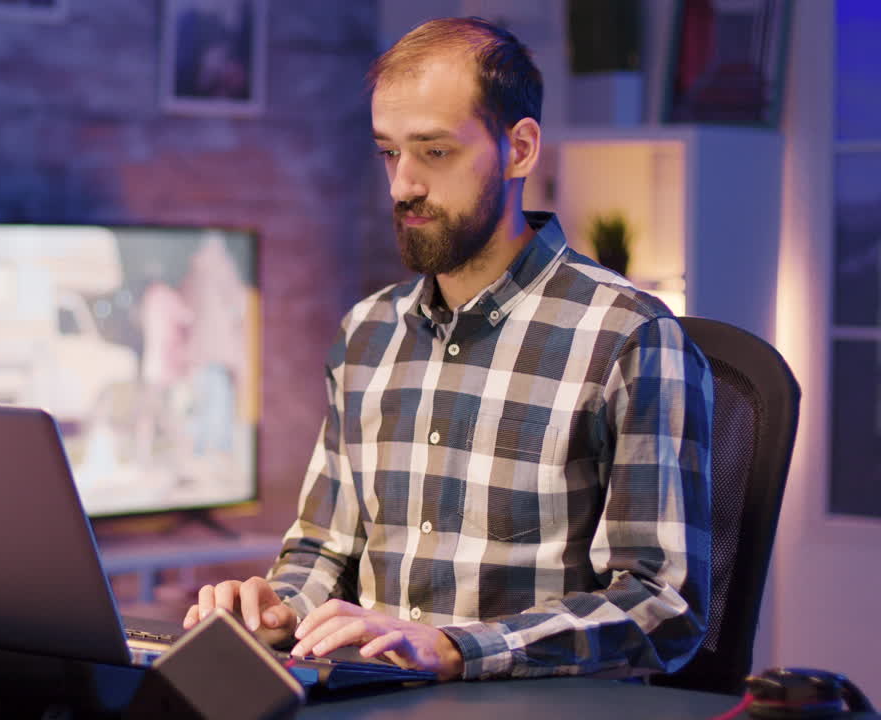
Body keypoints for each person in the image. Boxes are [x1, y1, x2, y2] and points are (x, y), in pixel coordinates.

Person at [182, 17, 713, 682]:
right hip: (371, 698)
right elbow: (324, 551)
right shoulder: (366, 334)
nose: (403, 185)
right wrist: (281, 609)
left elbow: (662, 608)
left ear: (519, 149)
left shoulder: (630, 336)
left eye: (433, 153)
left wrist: (456, 648)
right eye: (388, 153)